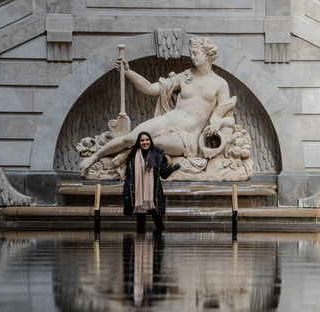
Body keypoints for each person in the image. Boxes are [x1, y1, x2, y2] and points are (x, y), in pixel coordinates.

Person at [80, 37, 235, 174]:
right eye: (191, 53)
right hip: (168, 120)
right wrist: (128, 72)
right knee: (129, 138)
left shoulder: (220, 84)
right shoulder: (185, 76)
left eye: (196, 53)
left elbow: (230, 120)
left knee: (155, 143)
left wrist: (220, 122)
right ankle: (95, 157)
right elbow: (149, 89)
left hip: (187, 136)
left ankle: (128, 154)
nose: (192, 57)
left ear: (207, 55)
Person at [123, 131, 180, 232]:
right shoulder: (132, 156)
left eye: (147, 140)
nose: (145, 142)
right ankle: (140, 243)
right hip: (138, 191)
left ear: (150, 141)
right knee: (140, 219)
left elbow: (163, 174)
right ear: (138, 142)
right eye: (142, 140)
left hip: (153, 192)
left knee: (157, 218)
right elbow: (128, 175)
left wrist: (171, 169)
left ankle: (160, 243)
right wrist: (126, 192)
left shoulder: (158, 155)